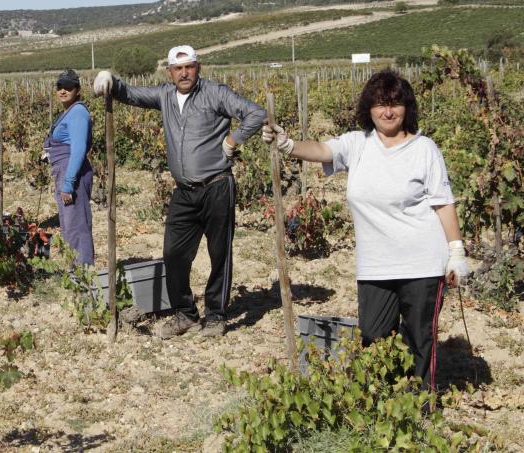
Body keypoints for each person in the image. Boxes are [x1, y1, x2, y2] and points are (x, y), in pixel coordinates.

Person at [261, 68, 470, 390]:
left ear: (407, 108)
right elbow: (320, 151)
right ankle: (384, 404)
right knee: (373, 336)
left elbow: (443, 203)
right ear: (368, 109)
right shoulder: (357, 144)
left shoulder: (424, 149)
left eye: (396, 104)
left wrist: (456, 251)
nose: (388, 111)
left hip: (422, 262)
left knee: (419, 339)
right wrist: (287, 144)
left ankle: (420, 408)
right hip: (376, 264)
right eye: (380, 104)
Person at [94, 45, 267, 338]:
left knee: (219, 253)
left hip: (217, 186)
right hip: (184, 192)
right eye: (179, 68)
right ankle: (185, 313)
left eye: (190, 67)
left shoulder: (216, 93)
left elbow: (256, 113)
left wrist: (233, 140)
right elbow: (131, 94)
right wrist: (111, 80)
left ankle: (215, 315)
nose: (184, 73)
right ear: (170, 72)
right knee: (173, 254)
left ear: (198, 68)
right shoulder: (164, 95)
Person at [43, 69, 94, 267]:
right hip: (64, 169)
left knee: (77, 224)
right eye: (60, 87)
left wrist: (68, 184)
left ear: (78, 89)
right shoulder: (69, 112)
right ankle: (75, 270)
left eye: (68, 87)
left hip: (73, 173)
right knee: (69, 222)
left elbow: (79, 149)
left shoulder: (78, 112)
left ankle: (83, 273)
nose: (63, 90)